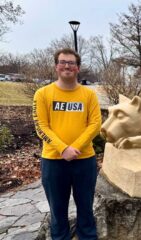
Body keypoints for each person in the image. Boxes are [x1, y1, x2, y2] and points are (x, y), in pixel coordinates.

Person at [33, 48, 101, 240]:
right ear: (56, 66)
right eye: (63, 62)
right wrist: (63, 149)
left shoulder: (88, 95)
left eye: (71, 63)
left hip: (84, 160)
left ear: (78, 68)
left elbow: (95, 125)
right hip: (53, 161)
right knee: (57, 212)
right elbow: (41, 126)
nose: (67, 66)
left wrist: (75, 148)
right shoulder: (43, 93)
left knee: (86, 210)